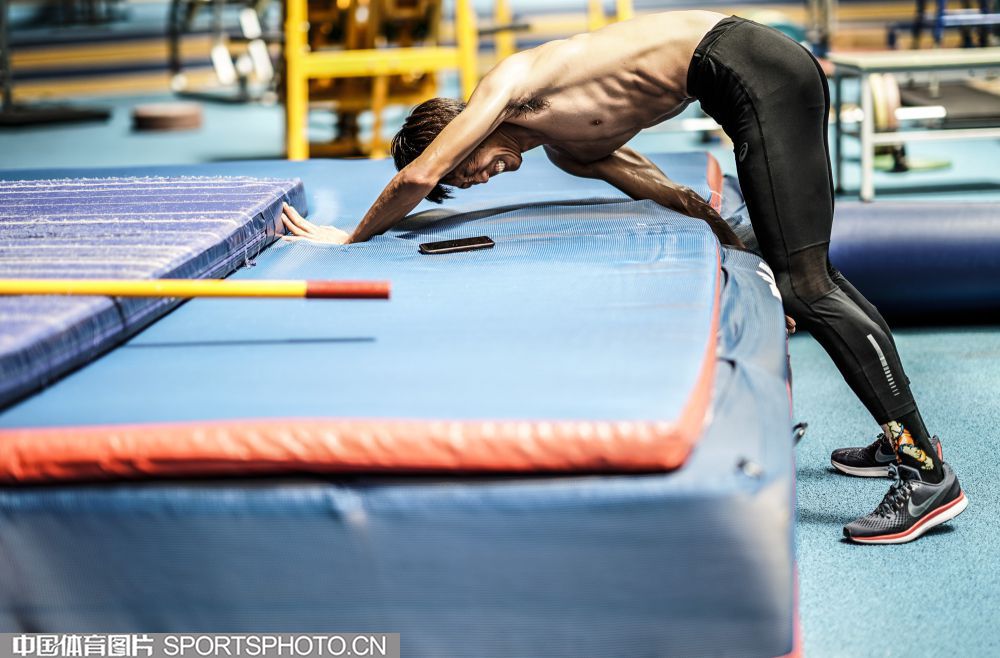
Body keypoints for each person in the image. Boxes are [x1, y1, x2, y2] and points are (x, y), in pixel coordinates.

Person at [281, 10, 967, 543]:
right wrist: (741, 255)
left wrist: (351, 237)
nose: (478, 178)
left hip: (749, 68)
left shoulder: (508, 84)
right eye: (467, 184)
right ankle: (903, 437)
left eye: (467, 167)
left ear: (460, 132)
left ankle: (927, 475)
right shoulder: (573, 151)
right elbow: (679, 198)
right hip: (755, 77)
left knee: (807, 286)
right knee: (810, 276)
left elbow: (417, 176)